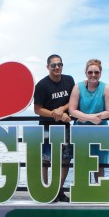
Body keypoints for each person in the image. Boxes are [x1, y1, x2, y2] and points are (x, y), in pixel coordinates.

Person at [33, 54, 76, 202]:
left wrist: (61, 109)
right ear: (48, 67)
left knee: (65, 160)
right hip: (46, 128)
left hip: (65, 127)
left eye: (59, 64)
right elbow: (37, 109)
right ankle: (46, 191)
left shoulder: (69, 80)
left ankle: (59, 190)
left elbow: (73, 101)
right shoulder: (41, 85)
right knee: (46, 161)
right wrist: (55, 114)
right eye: (53, 65)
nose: (57, 67)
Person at [68, 59, 109, 183]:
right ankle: (84, 193)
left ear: (100, 73)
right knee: (82, 163)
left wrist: (89, 117)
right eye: (90, 72)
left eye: (96, 72)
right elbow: (72, 110)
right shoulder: (78, 87)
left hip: (100, 131)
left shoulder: (106, 88)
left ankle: (98, 193)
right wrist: (89, 118)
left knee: (99, 165)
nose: (93, 75)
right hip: (81, 132)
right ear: (85, 73)